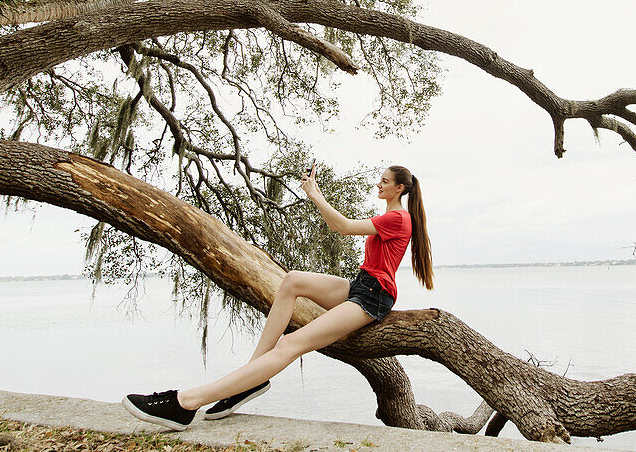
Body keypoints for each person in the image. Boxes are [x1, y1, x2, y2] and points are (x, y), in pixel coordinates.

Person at [122, 164, 434, 431]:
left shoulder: (397, 218)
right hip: (361, 285)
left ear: (400, 188)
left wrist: (315, 194)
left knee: (289, 345)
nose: (378, 184)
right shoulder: (390, 217)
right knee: (292, 281)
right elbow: (350, 239)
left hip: (372, 298)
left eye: (384, 181)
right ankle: (252, 376)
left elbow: (341, 227)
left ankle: (185, 404)